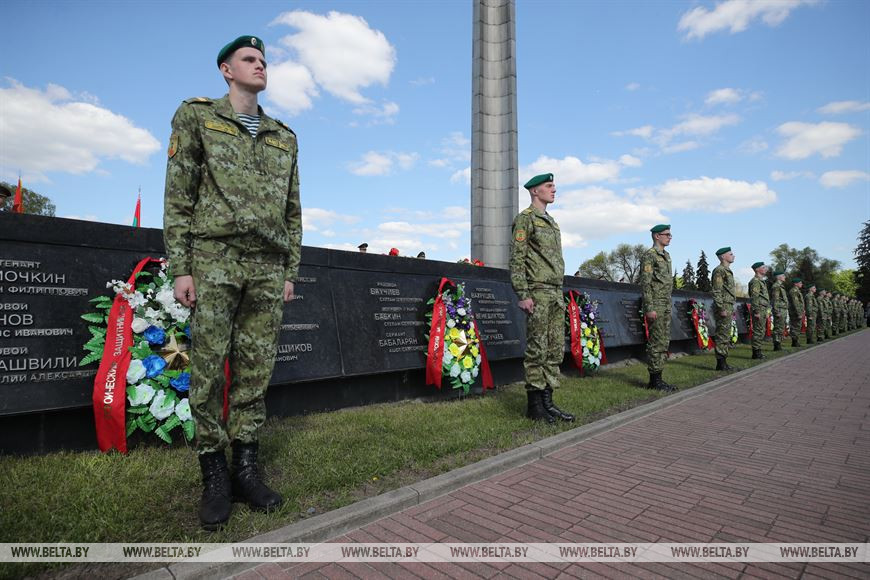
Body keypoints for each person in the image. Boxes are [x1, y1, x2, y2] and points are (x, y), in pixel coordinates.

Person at [163, 35, 302, 530]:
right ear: (226, 69)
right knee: (206, 369)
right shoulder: (197, 117)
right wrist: (181, 266)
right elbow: (179, 194)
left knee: (255, 370)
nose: (259, 65)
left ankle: (246, 468)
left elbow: (292, 210)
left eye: (263, 60)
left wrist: (290, 269)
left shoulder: (284, 135)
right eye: (249, 59)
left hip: (267, 264)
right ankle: (214, 474)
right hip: (215, 258)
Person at [509, 173, 574, 423]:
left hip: (555, 293)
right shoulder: (525, 219)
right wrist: (523, 293)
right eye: (549, 186)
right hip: (537, 292)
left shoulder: (551, 221)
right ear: (535, 191)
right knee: (538, 350)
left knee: (554, 349)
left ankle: (548, 402)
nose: (554, 189)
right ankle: (534, 406)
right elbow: (517, 258)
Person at [640, 224, 675, 391]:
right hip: (656, 304)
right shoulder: (649, 256)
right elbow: (646, 283)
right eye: (666, 234)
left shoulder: (666, 256)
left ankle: (659, 378)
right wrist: (649, 307)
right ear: (656, 236)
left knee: (663, 342)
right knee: (656, 342)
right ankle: (654, 380)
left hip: (666, 303)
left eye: (670, 234)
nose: (669, 237)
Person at [711, 247, 737, 371]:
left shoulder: (727, 270)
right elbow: (717, 290)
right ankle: (720, 363)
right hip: (724, 306)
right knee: (722, 334)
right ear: (723, 257)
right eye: (730, 254)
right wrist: (721, 308)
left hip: (728, 305)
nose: (733, 256)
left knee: (726, 334)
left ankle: (723, 362)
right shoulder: (719, 271)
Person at [748, 262, 770, 359]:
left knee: (761, 330)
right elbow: (754, 297)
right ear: (757, 269)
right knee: (758, 331)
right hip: (759, 309)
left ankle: (758, 351)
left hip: (763, 308)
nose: (765, 268)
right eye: (763, 267)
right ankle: (756, 353)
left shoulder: (761, 281)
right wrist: (756, 311)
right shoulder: (755, 281)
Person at [770, 271, 788, 351]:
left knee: (780, 327)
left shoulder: (781, 286)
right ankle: (776, 345)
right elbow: (775, 299)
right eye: (783, 276)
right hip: (779, 309)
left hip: (782, 309)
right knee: (778, 328)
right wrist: (777, 311)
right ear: (778, 277)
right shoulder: (776, 286)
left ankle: (778, 344)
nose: (785, 277)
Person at [787, 278, 805, 348]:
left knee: (797, 327)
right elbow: (796, 303)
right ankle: (794, 342)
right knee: (795, 327)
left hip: (797, 311)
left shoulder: (797, 291)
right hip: (795, 312)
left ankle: (796, 341)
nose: (801, 284)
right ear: (795, 284)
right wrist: (799, 313)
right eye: (800, 283)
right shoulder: (794, 291)